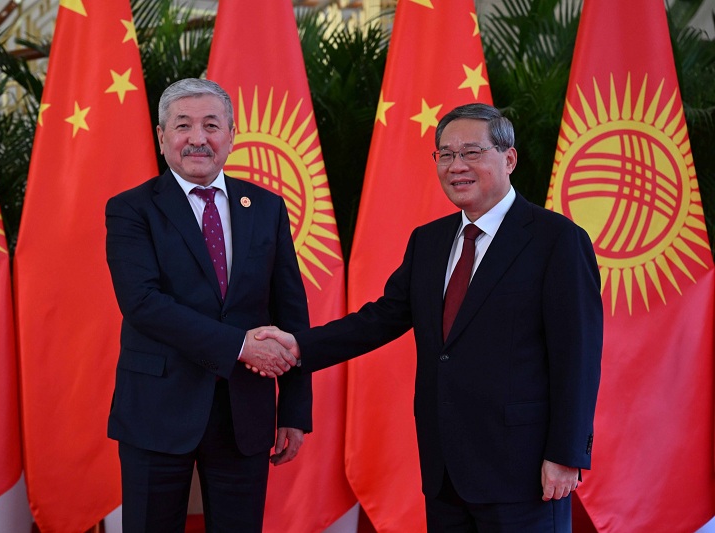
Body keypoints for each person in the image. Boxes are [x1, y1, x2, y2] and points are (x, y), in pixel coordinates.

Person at [256, 103, 603, 532]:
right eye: (446, 154)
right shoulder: (430, 241)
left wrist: (566, 454)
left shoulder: (557, 240)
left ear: (509, 158)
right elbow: (381, 319)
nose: (457, 166)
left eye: (471, 152)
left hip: (524, 469)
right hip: (444, 470)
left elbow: (578, 357)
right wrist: (298, 346)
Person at [105, 77, 310, 532]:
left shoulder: (267, 207)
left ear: (231, 136)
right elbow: (142, 303)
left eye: (211, 125)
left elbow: (290, 313)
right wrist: (240, 346)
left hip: (245, 412)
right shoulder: (131, 209)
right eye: (183, 125)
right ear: (162, 137)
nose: (198, 138)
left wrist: (294, 410)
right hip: (156, 409)